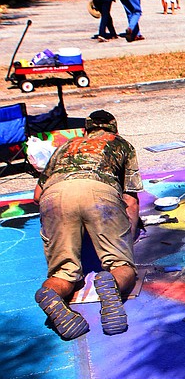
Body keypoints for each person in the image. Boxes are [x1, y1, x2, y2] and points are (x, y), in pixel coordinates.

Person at [33, 110, 142, 341]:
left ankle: (50, 292)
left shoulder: (66, 146)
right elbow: (130, 200)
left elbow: (37, 195)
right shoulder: (121, 144)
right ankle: (111, 282)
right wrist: (127, 239)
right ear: (115, 130)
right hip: (99, 191)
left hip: (55, 194)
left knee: (63, 273)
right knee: (121, 264)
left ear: (86, 130)